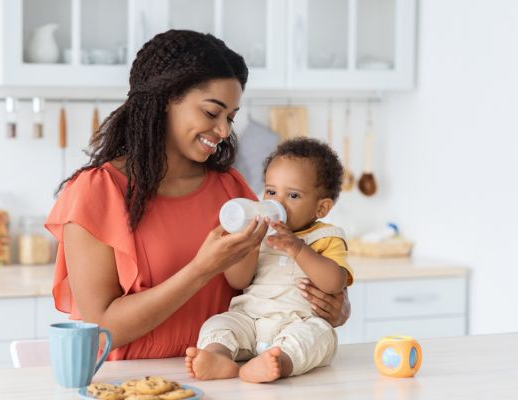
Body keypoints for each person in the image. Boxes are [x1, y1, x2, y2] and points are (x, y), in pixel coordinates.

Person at [45, 30, 350, 361]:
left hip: (230, 377)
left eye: (230, 117)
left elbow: (274, 277)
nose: (224, 131)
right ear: (164, 99)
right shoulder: (97, 192)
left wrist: (336, 305)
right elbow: (101, 329)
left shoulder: (230, 188)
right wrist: (201, 269)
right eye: (211, 112)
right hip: (136, 386)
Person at [186, 137, 353, 383]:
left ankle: (278, 362)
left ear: (321, 208)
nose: (277, 203)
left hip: (297, 322)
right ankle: (218, 357)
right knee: (218, 323)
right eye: (271, 191)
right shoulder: (260, 234)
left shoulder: (326, 237)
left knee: (319, 335)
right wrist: (249, 246)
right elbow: (237, 280)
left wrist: (297, 249)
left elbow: (334, 283)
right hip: (251, 320)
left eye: (293, 195)